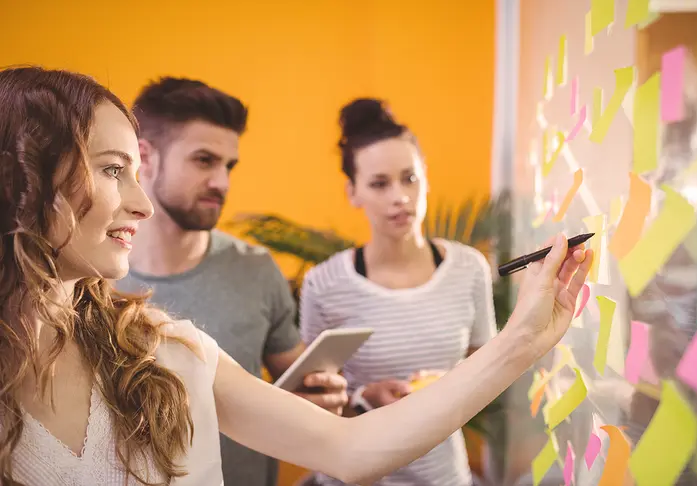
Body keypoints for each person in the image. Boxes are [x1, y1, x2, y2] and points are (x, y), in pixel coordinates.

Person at [0, 66, 592, 486]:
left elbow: (349, 449)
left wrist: (523, 340)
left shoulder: (163, 350)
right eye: (111, 170)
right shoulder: (326, 280)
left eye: (135, 172)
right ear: (22, 179)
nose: (142, 204)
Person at [111, 77, 348, 486]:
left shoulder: (255, 269)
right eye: (204, 160)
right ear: (143, 157)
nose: (222, 182)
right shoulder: (89, 275)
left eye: (228, 165)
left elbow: (297, 391)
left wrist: (326, 398)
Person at [299, 98, 499, 486]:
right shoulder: (323, 284)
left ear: (426, 177)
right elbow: (313, 406)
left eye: (410, 178)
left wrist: (449, 388)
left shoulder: (469, 268)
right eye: (379, 183)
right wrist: (363, 399)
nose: (399, 197)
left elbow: (489, 372)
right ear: (352, 192)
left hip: (443, 477)